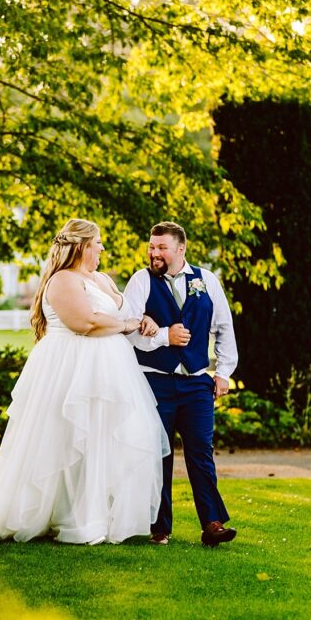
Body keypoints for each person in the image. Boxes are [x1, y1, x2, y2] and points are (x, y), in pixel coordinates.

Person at [0, 219, 170, 545]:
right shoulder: (62, 281)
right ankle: (58, 514)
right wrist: (126, 324)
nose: (101, 248)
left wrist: (143, 320)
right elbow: (85, 322)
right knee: (64, 440)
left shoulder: (100, 279)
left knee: (101, 440)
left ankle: (95, 515)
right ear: (82, 246)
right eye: (97, 242)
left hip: (110, 369)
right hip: (70, 368)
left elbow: (127, 312)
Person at [122, 221, 238, 547]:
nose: (154, 253)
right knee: (158, 455)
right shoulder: (141, 280)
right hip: (153, 382)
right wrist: (163, 336)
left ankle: (212, 523)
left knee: (201, 451)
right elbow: (127, 329)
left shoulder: (207, 280)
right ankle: (159, 526)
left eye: (161, 248)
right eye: (151, 246)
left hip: (197, 383)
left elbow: (224, 327)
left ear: (181, 249)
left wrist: (224, 372)